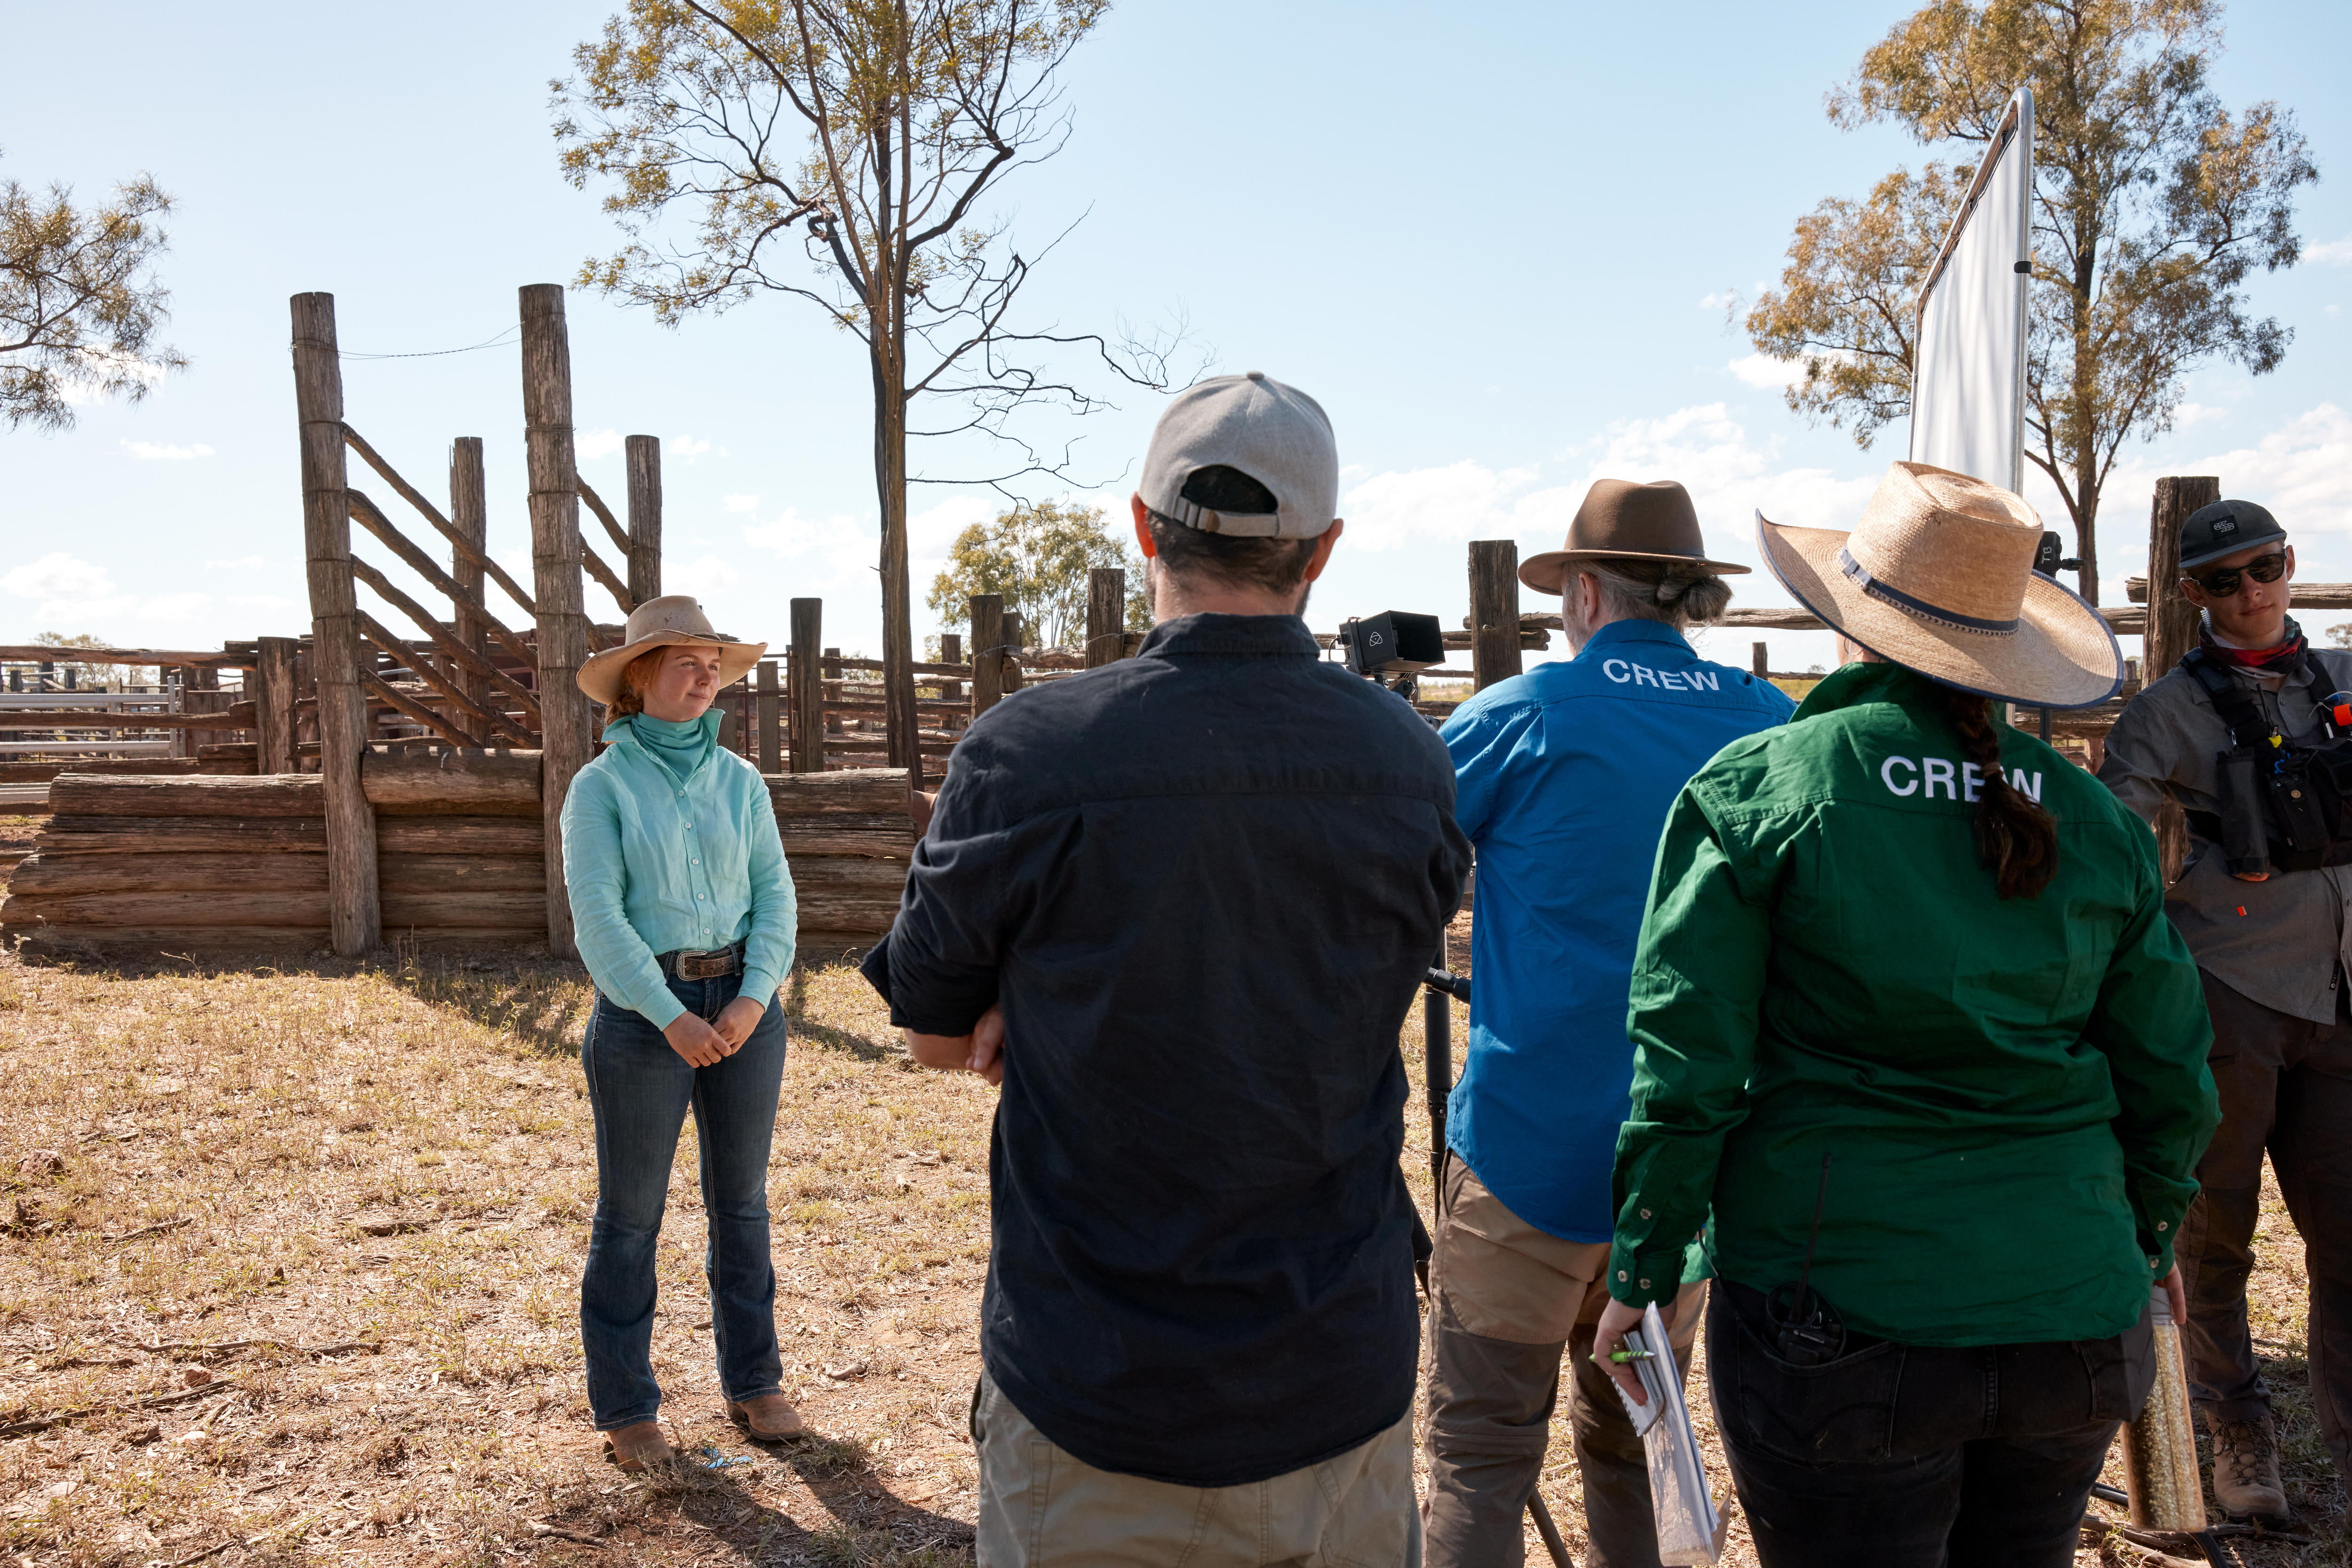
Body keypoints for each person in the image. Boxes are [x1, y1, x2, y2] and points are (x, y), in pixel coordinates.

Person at [860, 372, 1471, 1567]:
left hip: (1101, 1387)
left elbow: (932, 1030)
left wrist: (1034, 1011)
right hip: (1334, 1372)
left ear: (1142, 524)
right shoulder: (1408, 756)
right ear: (1324, 550)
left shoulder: (1031, 752)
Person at [1594, 461, 2219, 1567]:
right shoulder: (2085, 815)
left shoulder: (1760, 789)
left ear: (1853, 620)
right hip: (2071, 1301)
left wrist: (1645, 1265)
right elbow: (2171, 1068)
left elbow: (1688, 1063)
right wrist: (2145, 1233)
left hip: (1836, 1307)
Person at [1423, 479, 1792, 1568]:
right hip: (1688, 1163)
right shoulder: (1770, 724)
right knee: (1635, 1431)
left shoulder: (1519, 715)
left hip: (1526, 1152)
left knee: (1482, 1447)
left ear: (1583, 591)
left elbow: (1392, 874)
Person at [2099, 498, 2352, 1522]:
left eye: (2264, 566)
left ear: (2290, 563)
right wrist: (2175, 908)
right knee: (2214, 1231)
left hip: (2343, 992)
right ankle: (2235, 1427)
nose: (2250, 593)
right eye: (2220, 579)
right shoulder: (2166, 708)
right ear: (2189, 593)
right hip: (2230, 989)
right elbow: (2113, 833)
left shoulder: (2343, 676)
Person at [561, 595, 801, 1471]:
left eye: (714, 663)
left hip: (746, 1002)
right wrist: (669, 1016)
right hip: (641, 1013)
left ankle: (756, 1382)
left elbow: (775, 896)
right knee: (631, 1214)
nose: (705, 676)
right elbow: (598, 918)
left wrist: (751, 1000)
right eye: (686, 661)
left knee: (742, 1203)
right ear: (638, 678)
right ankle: (628, 1406)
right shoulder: (601, 788)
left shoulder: (742, 781)